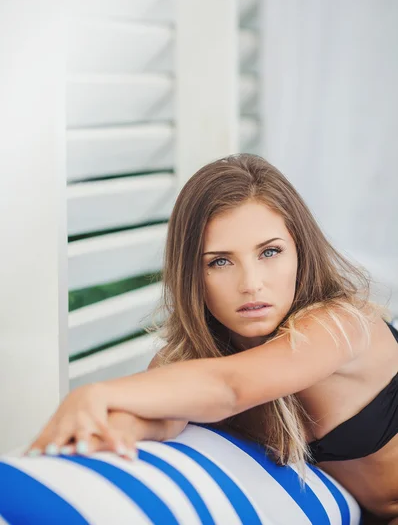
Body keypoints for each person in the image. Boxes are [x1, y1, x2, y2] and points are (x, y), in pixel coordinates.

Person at [27, 154, 398, 524]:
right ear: (193, 273)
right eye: (220, 261)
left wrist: (93, 393)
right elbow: (159, 418)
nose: (251, 283)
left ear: (300, 252)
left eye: (270, 252)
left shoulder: (342, 325)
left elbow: (232, 387)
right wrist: (97, 443)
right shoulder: (193, 362)